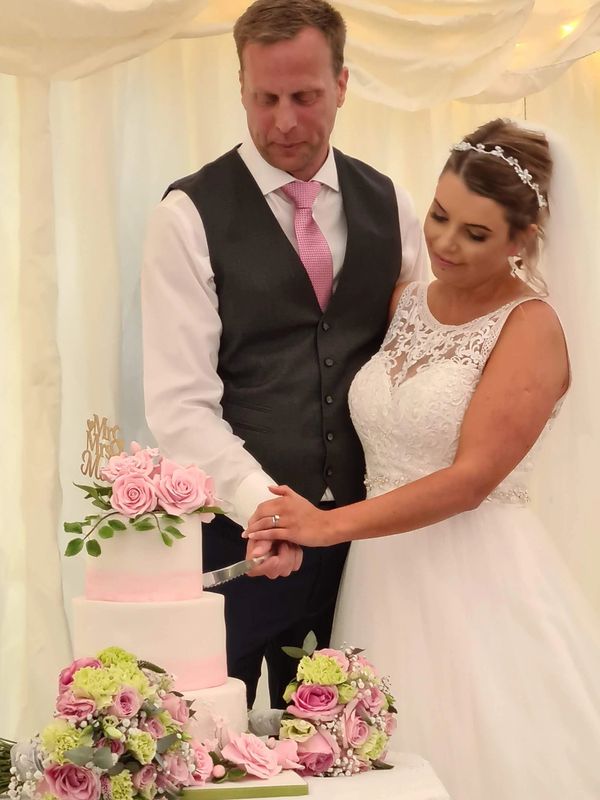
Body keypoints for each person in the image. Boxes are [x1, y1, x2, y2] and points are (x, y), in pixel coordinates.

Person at [245, 119, 600, 798]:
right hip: (379, 576)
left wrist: (326, 524)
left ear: (522, 240)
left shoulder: (531, 327)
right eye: (439, 215)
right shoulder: (405, 302)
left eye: (476, 234)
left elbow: (469, 481)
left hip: (475, 583)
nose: (444, 242)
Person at [141, 0, 427, 710]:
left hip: (367, 550)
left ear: (343, 84)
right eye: (265, 99)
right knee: (218, 741)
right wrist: (263, 509)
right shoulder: (186, 217)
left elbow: (418, 362)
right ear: (241, 87)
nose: (285, 122)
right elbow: (179, 406)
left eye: (305, 96)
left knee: (353, 744)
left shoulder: (392, 204)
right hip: (237, 545)